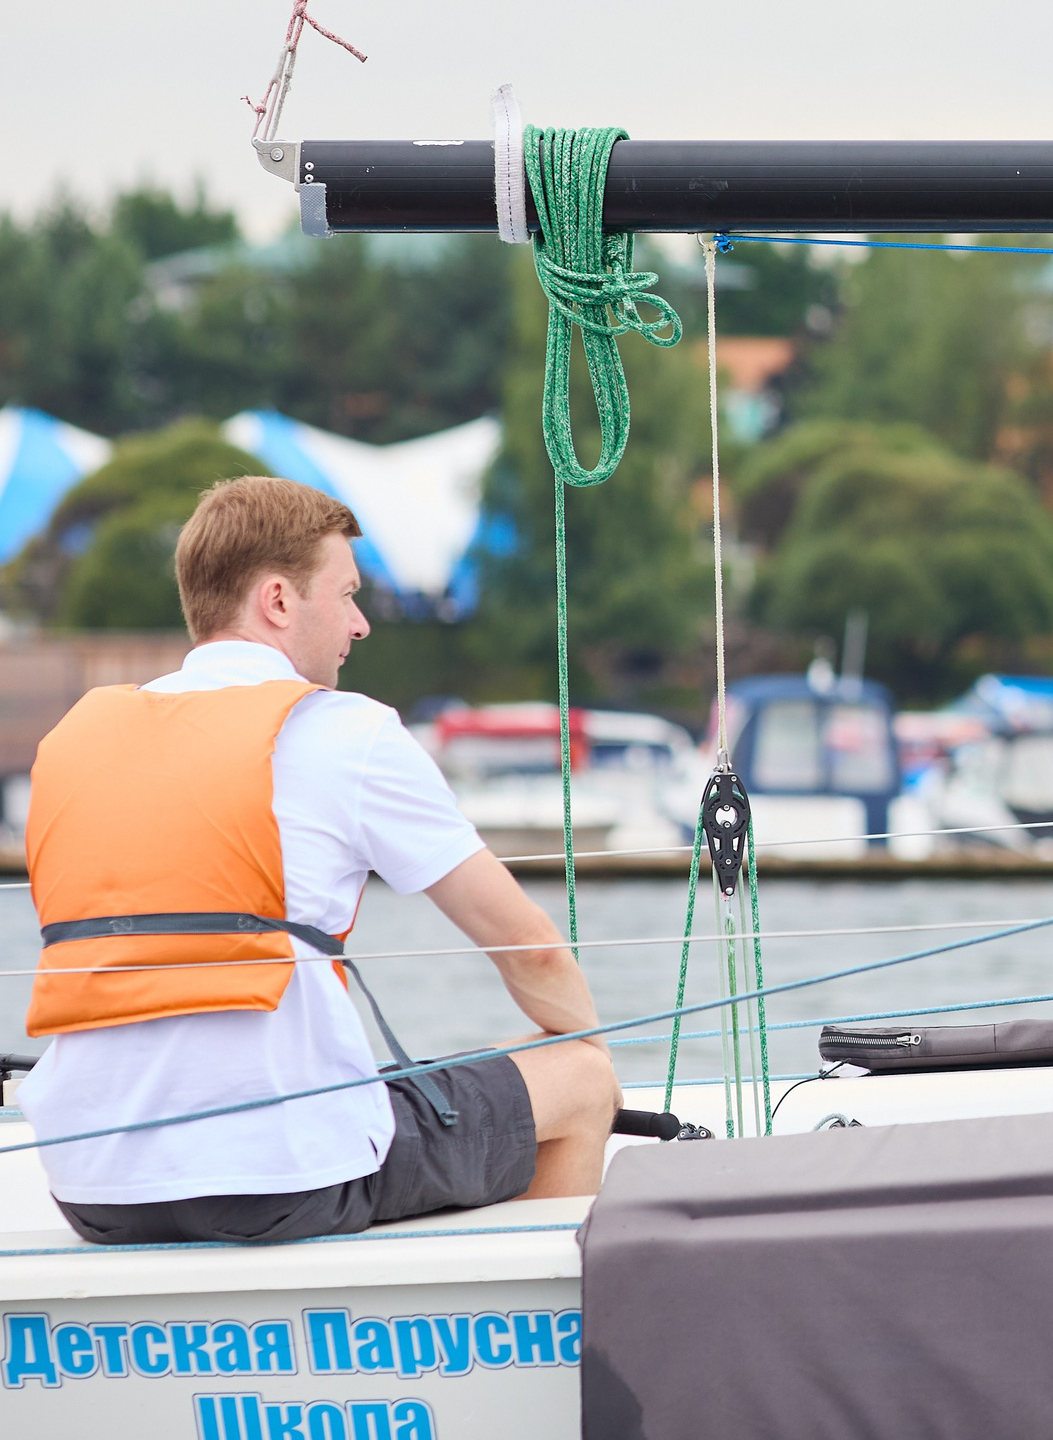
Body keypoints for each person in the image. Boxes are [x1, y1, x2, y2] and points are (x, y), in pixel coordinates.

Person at [20, 477, 622, 1244]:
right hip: (280, 1183)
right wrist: (600, 1072)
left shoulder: (73, 745)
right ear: (277, 600)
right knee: (578, 1079)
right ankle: (515, 1337)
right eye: (345, 594)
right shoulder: (349, 732)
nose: (361, 623)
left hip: (92, 1187)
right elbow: (532, 951)